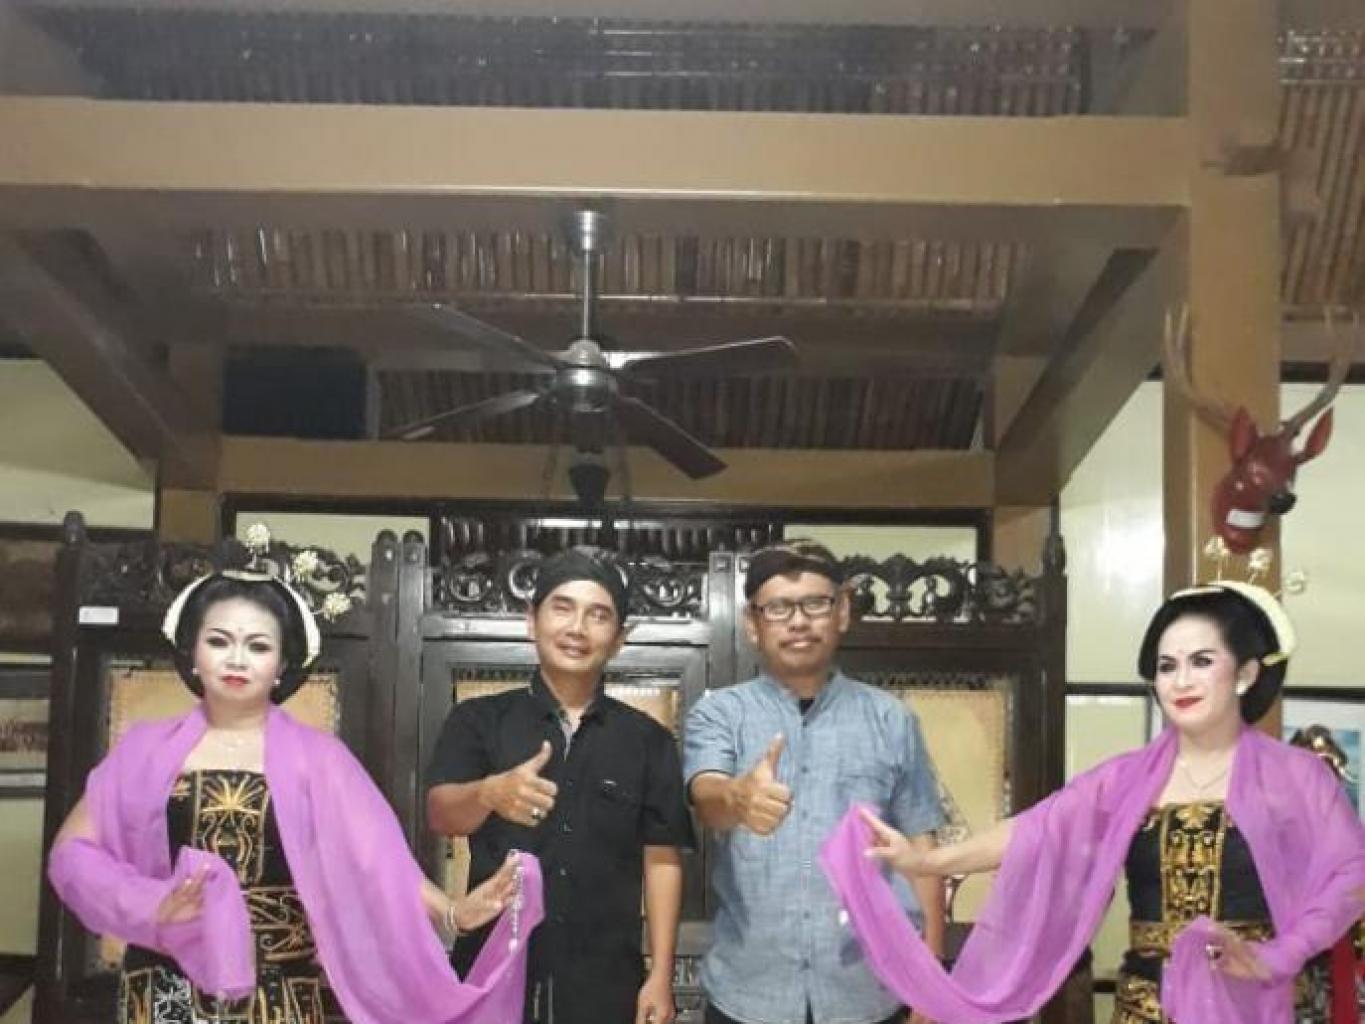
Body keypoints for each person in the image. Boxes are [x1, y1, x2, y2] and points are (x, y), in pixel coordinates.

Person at [825, 580, 1365, 1024]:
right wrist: (927, 861)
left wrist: (1280, 955)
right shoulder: (1126, 779)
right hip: (1146, 1004)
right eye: (1166, 666)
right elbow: (1035, 831)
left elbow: (1350, 877)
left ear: (1245, 673)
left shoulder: (1297, 777)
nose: (1181, 681)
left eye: (1201, 661)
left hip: (1254, 999)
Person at [47, 571, 542, 1024]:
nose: (237, 659)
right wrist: (152, 906)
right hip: (164, 986)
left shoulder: (320, 760)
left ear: (282, 664)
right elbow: (72, 854)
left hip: (280, 988)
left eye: (258, 646)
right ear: (192, 652)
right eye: (218, 641)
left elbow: (379, 865)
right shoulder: (143, 750)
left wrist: (451, 913)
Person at [426, 547, 695, 1024]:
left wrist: (660, 973)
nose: (577, 628)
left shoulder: (649, 740)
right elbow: (441, 814)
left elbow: (661, 859)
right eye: (563, 608)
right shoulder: (478, 720)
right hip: (494, 968)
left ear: (619, 638)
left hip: (606, 982)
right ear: (532, 621)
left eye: (598, 616)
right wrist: (488, 793)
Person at [683, 539, 945, 1024]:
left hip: (868, 991)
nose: (799, 621)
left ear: (842, 612)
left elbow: (922, 848)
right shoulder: (720, 713)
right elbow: (706, 797)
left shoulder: (891, 719)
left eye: (815, 604)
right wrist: (738, 798)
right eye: (779, 608)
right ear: (752, 624)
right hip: (748, 991)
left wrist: (928, 977)